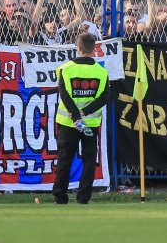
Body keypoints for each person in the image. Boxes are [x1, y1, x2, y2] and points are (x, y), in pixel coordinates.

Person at [52, 32, 109, 205]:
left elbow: (64, 94)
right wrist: (84, 113)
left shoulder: (66, 68)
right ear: (94, 49)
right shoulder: (101, 71)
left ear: (78, 47)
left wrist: (75, 115)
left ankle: (60, 198)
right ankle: (83, 198)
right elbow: (104, 98)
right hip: (90, 123)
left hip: (68, 123)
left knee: (65, 159)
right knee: (89, 160)